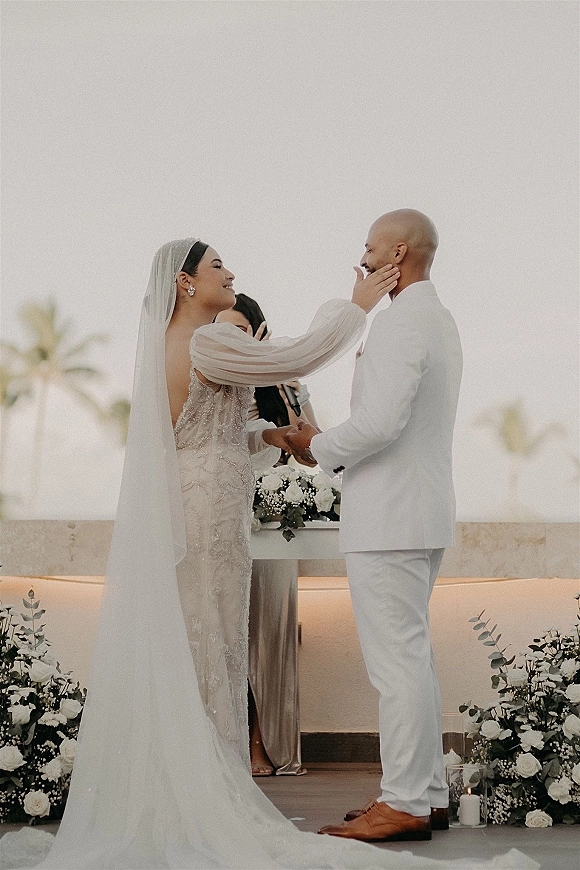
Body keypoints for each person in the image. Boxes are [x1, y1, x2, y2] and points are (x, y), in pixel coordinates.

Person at [0, 237, 536, 870]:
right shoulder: (205, 341)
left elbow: (210, 427)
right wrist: (356, 304)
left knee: (211, 650)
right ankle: (202, 801)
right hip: (204, 520)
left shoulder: (186, 347)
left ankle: (195, 791)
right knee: (208, 652)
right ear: (184, 283)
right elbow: (298, 354)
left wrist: (274, 433)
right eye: (218, 266)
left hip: (203, 510)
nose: (231, 273)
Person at [287, 209, 463, 844]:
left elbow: (382, 423)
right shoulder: (439, 320)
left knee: (396, 664)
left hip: (389, 515)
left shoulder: (399, 323)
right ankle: (425, 793)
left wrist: (319, 442)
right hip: (419, 510)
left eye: (367, 248)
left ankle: (408, 800)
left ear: (397, 250)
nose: (360, 260)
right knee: (411, 658)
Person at [217, 293, 316, 776]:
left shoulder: (285, 384)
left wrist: (275, 375)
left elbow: (311, 448)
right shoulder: (216, 380)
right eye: (224, 330)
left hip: (277, 517)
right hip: (227, 511)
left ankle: (273, 738)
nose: (231, 340)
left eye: (241, 332)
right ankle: (247, 743)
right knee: (225, 630)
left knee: (268, 636)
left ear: (259, 333)